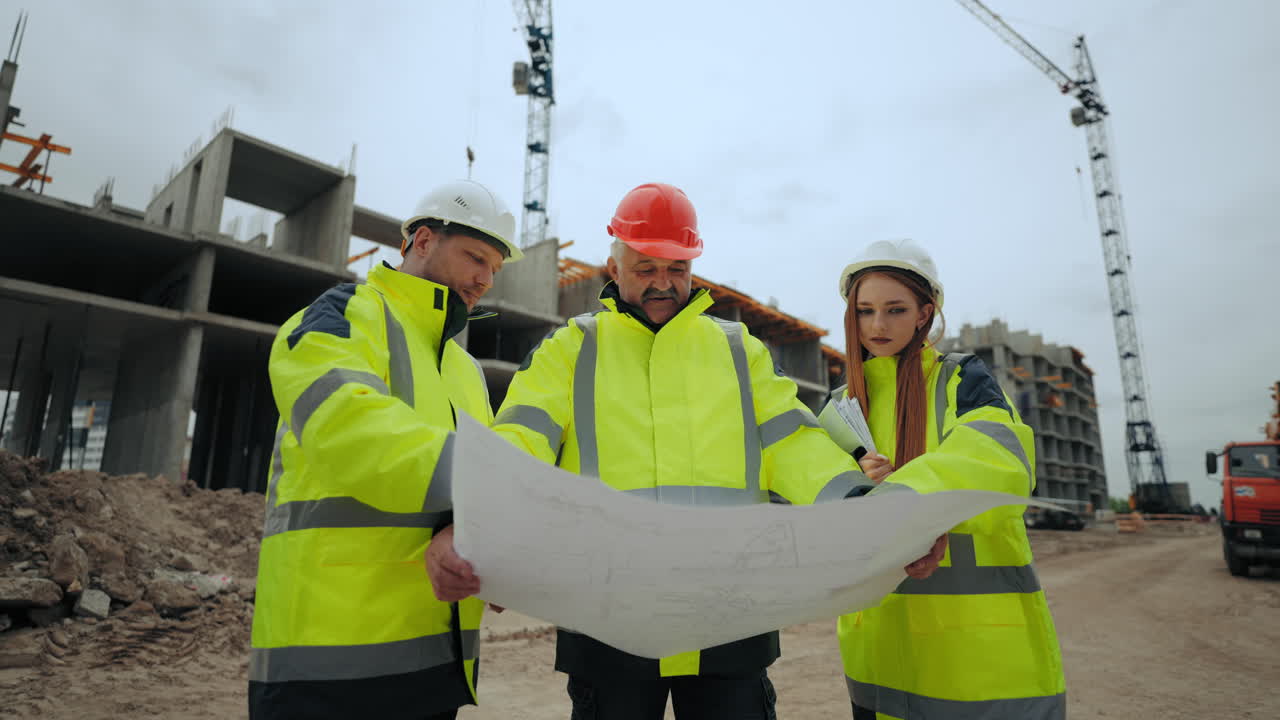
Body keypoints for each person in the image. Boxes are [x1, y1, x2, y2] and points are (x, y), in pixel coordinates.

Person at [477, 183, 945, 719]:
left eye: (676, 268)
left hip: (728, 618)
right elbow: (520, 442)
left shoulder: (737, 349)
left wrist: (870, 510)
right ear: (614, 268)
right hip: (610, 621)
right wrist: (492, 532)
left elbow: (796, 445)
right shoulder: (573, 348)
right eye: (646, 268)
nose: (663, 282)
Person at [247, 180, 522, 720]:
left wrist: (501, 552)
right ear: (422, 240)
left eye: (495, 267)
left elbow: (481, 491)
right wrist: (494, 493)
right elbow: (352, 432)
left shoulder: (464, 369)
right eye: (475, 257)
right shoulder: (339, 318)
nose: (485, 280)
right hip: (327, 660)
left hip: (434, 665)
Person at [829, 239, 1066, 720]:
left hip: (977, 651)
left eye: (895, 310)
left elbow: (999, 460)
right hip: (881, 644)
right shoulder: (839, 407)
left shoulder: (962, 379)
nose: (877, 326)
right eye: (865, 311)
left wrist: (903, 496)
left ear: (924, 314)